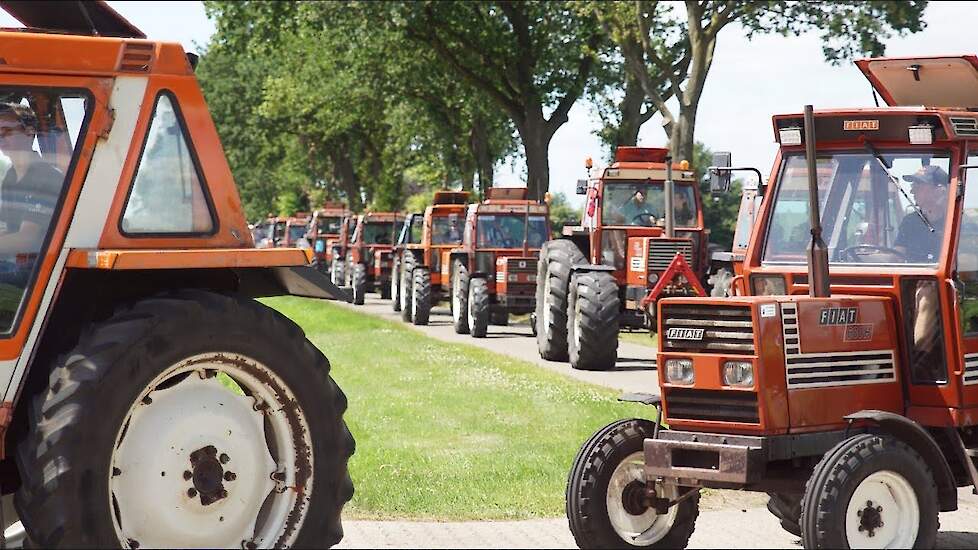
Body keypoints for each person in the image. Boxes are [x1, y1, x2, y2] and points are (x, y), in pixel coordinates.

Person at [0, 102, 63, 259]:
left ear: (29, 132)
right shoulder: (11, 177)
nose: (0, 138)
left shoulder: (48, 178)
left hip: (41, 265)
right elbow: (10, 230)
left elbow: (27, 239)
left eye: (6, 131)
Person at [894, 165, 949, 263]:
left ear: (940, 190)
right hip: (911, 276)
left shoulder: (958, 224)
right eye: (912, 186)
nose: (912, 191)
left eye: (918, 186)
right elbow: (897, 256)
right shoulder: (910, 222)